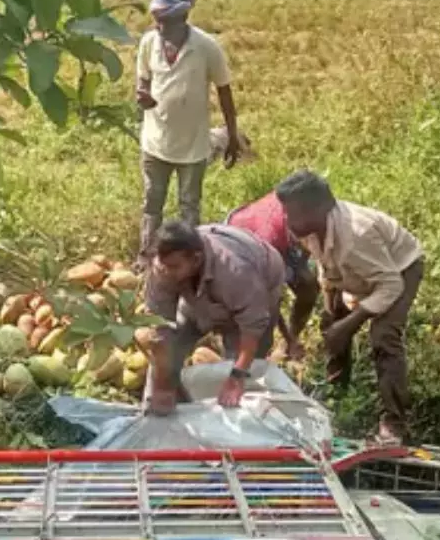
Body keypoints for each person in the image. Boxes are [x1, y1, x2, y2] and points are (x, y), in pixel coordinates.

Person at [275, 170, 425, 445]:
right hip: (352, 273)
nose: (288, 221)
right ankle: (336, 394)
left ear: (320, 209)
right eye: (286, 213)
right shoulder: (306, 227)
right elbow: (324, 260)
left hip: (399, 270)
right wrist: (335, 311)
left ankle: (395, 424)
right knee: (331, 324)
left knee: (383, 336)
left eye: (293, 214)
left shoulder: (357, 234)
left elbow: (390, 285)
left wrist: (352, 321)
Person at [135, 0, 241, 256]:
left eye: (165, 22)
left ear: (183, 18)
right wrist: (143, 94)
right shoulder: (149, 43)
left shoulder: (206, 47)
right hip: (155, 141)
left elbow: (224, 92)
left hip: (192, 145)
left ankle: (188, 261)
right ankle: (146, 256)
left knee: (189, 206)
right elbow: (143, 78)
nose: (159, 29)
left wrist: (232, 136)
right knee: (151, 202)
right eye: (156, 22)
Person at [143, 219, 285, 415]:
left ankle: (238, 430)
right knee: (170, 351)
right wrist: (161, 386)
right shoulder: (164, 269)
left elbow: (252, 325)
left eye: (174, 266)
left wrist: (237, 376)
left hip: (258, 286)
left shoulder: (234, 271)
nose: (167, 271)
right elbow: (160, 328)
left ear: (196, 259)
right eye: (163, 265)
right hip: (198, 298)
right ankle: (154, 418)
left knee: (241, 376)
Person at [227, 190, 319, 361]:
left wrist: (303, 263)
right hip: (243, 248)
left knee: (308, 286)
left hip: (282, 240)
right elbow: (271, 298)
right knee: (261, 320)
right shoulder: (267, 239)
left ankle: (291, 337)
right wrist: (288, 340)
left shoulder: (304, 210)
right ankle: (249, 360)